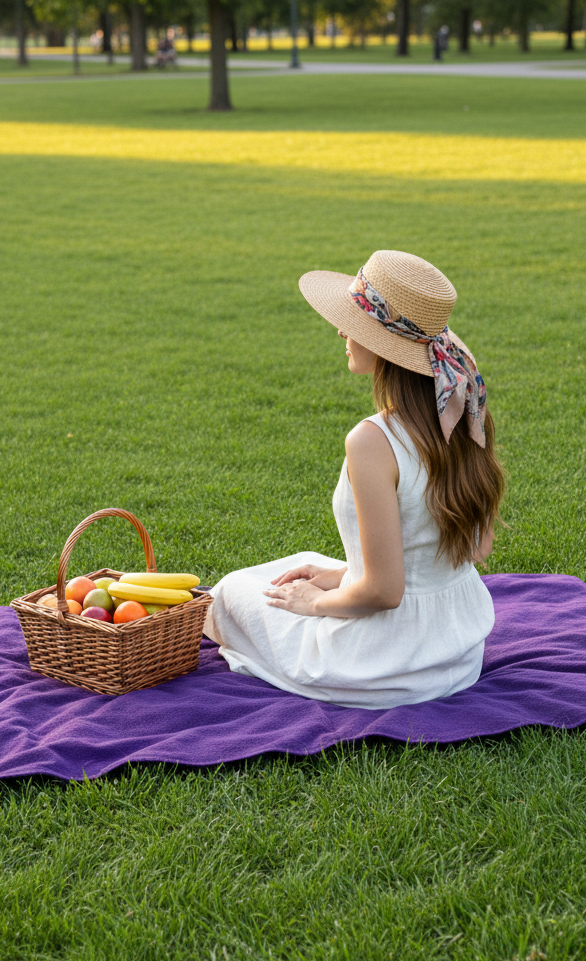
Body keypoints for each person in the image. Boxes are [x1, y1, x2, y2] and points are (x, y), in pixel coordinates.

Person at [204, 250, 505, 709]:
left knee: (229, 594)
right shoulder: (463, 414)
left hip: (385, 664)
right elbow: (470, 550)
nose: (342, 331)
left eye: (353, 323)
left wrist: (314, 603)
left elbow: (385, 592)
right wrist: (339, 576)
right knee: (304, 562)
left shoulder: (372, 441)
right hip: (458, 655)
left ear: (385, 346)